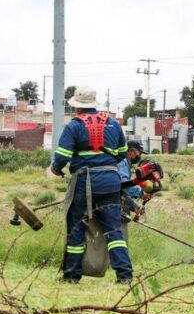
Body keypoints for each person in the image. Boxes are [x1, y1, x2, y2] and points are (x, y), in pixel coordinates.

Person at [49, 87, 134, 284]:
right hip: (111, 182)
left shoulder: (74, 126)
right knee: (114, 230)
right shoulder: (114, 124)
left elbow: (62, 157)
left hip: (84, 182)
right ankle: (124, 276)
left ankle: (71, 275)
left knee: (77, 227)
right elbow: (122, 153)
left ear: (78, 108)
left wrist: (55, 168)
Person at [118, 138, 147, 217]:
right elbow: (123, 186)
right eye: (139, 153)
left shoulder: (126, 163)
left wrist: (134, 206)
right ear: (131, 152)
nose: (139, 156)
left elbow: (122, 192)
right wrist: (141, 193)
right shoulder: (122, 162)